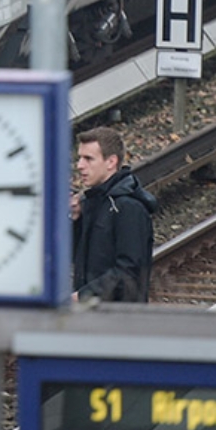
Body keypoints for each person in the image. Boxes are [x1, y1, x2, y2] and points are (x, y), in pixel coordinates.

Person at [70, 126, 158, 302]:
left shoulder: (129, 209)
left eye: (88, 159)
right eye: (79, 158)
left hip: (119, 320)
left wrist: (84, 296)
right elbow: (74, 259)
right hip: (91, 317)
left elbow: (129, 272)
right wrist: (74, 221)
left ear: (111, 162)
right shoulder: (91, 203)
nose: (80, 166)